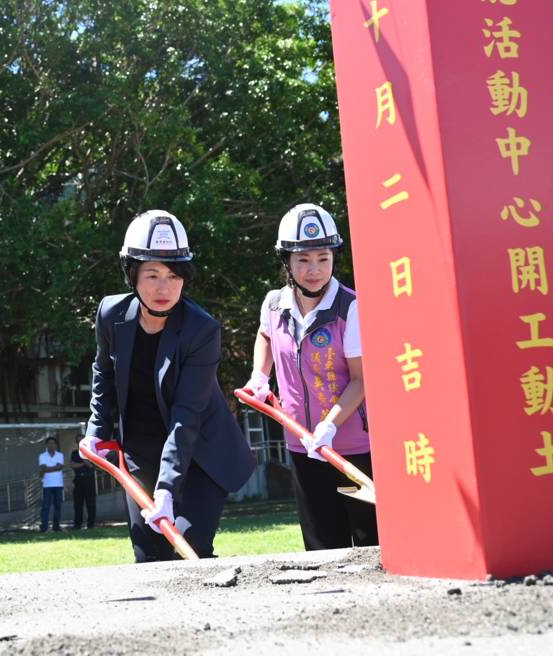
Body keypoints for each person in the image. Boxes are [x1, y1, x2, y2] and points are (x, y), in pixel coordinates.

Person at [83, 210, 255, 562]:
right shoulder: (110, 314)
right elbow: (104, 372)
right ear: (132, 274)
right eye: (152, 275)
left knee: (190, 549)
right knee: (149, 557)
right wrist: (96, 430)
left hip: (199, 455)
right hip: (140, 452)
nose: (164, 288)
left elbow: (186, 415)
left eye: (174, 276)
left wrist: (166, 488)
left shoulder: (201, 330)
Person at [244, 203, 377, 550]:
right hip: (303, 447)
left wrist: (330, 426)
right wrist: (260, 376)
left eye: (323, 257)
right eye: (303, 259)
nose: (314, 269)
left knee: (369, 546)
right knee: (321, 548)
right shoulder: (274, 304)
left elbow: (362, 380)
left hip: (353, 449)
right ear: (286, 261)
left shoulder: (350, 308)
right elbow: (265, 334)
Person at [69, 432, 97, 530]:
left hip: (89, 479)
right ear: (77, 443)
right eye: (78, 441)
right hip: (78, 480)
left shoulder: (91, 453)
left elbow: (92, 466)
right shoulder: (75, 453)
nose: (80, 442)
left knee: (91, 503)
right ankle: (77, 525)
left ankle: (91, 524)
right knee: (78, 504)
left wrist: (85, 463)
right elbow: (72, 465)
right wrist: (84, 463)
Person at [38, 436, 64, 532]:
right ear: (46, 445)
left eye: (53, 443)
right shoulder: (42, 456)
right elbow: (44, 468)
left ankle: (56, 527)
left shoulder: (60, 455)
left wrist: (47, 469)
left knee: (58, 506)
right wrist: (54, 468)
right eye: (49, 443)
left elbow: (59, 467)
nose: (51, 445)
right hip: (47, 485)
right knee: (46, 506)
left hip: (58, 484)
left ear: (56, 445)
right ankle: (44, 527)